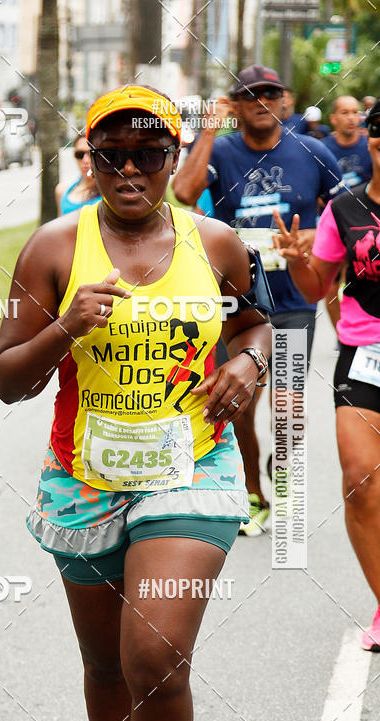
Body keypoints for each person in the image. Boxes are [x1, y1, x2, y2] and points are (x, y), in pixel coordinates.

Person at [0, 84, 272, 721]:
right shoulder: (53, 247)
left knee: (154, 656)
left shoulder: (213, 242)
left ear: (174, 157)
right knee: (105, 663)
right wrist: (65, 327)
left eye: (149, 152)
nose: (129, 168)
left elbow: (252, 320)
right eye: (110, 152)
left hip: (193, 469)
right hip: (84, 482)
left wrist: (248, 364)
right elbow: (9, 379)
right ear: (91, 157)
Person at [172, 64, 343, 536]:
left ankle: (283, 485)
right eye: (248, 95)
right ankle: (252, 489)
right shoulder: (222, 151)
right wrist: (208, 129)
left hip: (291, 300)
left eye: (270, 92)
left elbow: (344, 212)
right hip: (237, 305)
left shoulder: (311, 150)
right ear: (235, 105)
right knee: (238, 403)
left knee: (286, 407)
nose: (260, 100)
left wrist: (311, 239)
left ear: (283, 100)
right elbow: (184, 193)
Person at [272, 97, 380, 652]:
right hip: (365, 355)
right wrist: (297, 260)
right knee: (361, 481)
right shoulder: (346, 210)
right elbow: (320, 288)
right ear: (371, 140)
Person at [322, 96, 373, 333]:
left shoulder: (370, 146)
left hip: (365, 229)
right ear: (333, 118)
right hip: (331, 226)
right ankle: (341, 334)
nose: (351, 117)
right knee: (330, 288)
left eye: (355, 112)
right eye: (344, 112)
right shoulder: (322, 149)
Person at [55, 130, 100, 215]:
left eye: (91, 153)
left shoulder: (109, 193)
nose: (85, 160)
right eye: (80, 154)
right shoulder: (62, 190)